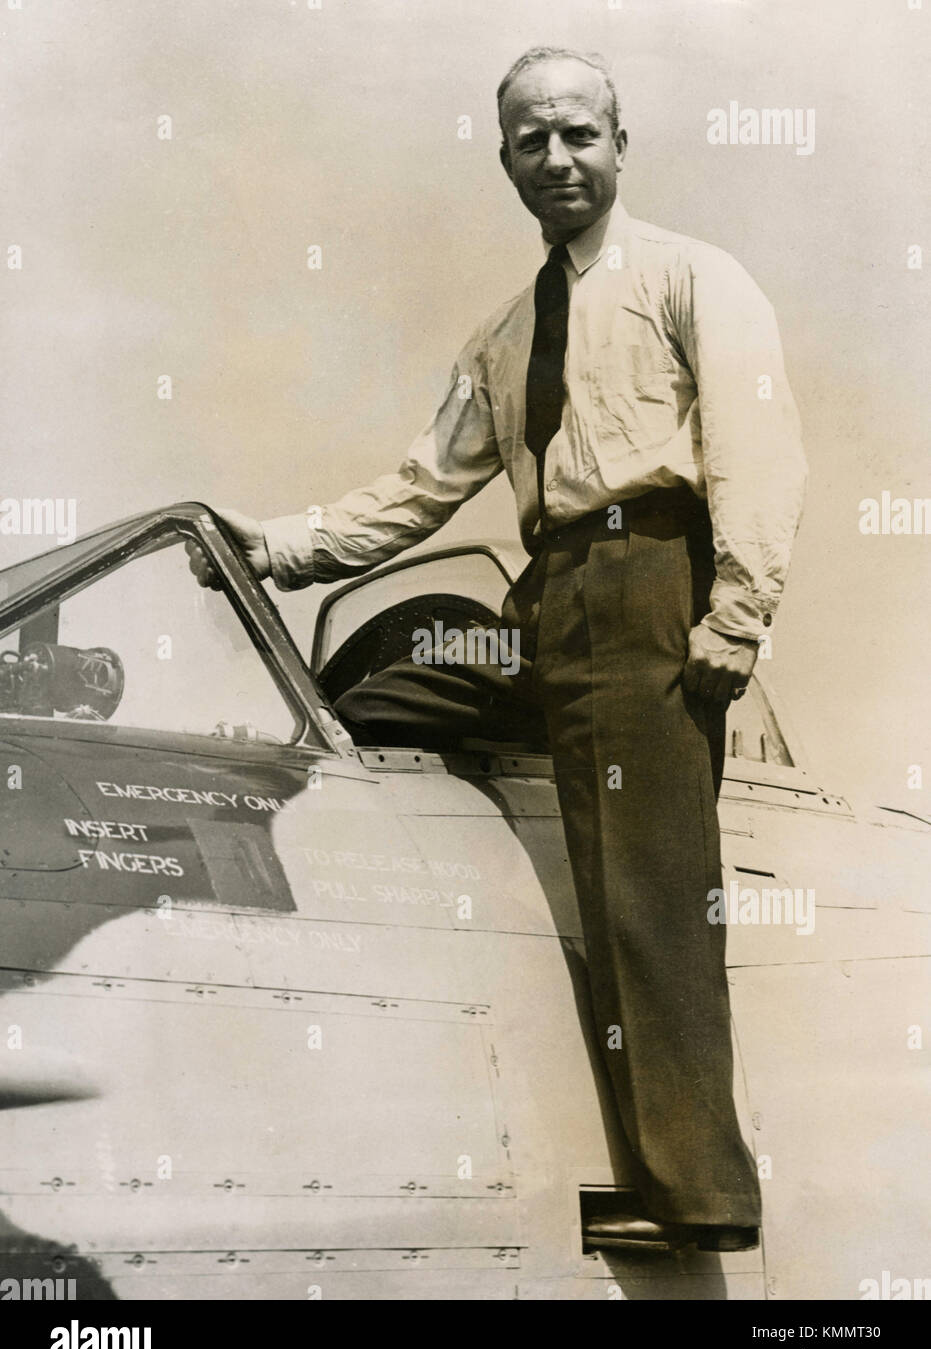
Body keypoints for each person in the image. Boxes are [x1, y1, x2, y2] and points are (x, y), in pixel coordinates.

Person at [188, 46, 807, 1253]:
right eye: (532, 140)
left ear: (620, 146)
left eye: (578, 134)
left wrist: (735, 610)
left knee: (645, 881)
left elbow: (757, 449)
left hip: (649, 586)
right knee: (380, 691)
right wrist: (281, 547)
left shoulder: (692, 277)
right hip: (549, 594)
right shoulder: (506, 333)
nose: (557, 158)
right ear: (505, 158)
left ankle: (699, 1198)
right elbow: (423, 490)